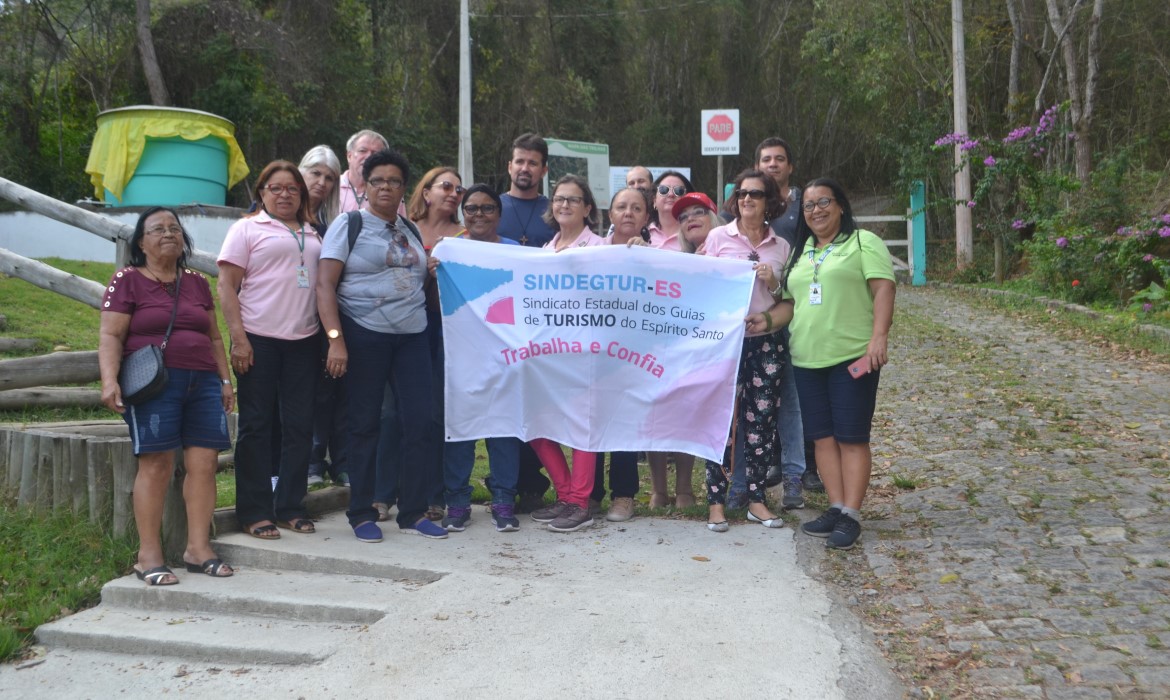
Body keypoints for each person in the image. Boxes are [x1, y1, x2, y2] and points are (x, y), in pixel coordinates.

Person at [749, 178, 895, 550]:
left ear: (841, 205)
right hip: (807, 359)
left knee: (851, 437)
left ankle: (852, 514)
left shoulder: (864, 243)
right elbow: (792, 305)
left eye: (824, 201)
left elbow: (883, 289)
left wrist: (879, 338)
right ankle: (835, 506)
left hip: (852, 357)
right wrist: (764, 322)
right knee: (823, 439)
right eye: (810, 205)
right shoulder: (802, 252)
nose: (817, 210)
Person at [316, 148, 448, 542]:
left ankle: (413, 511)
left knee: (421, 422)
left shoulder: (408, 229)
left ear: (404, 188)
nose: (386, 187)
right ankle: (361, 512)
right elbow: (325, 285)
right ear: (365, 186)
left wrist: (432, 274)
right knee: (364, 424)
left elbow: (413, 282)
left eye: (394, 181)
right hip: (364, 332)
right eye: (378, 181)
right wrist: (336, 341)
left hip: (412, 337)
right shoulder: (349, 224)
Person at [99, 207, 234, 585]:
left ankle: (198, 549)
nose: (169, 233)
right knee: (156, 464)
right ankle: (148, 556)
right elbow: (111, 336)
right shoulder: (126, 280)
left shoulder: (195, 282)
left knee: (205, 464)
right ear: (140, 242)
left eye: (175, 227)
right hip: (154, 384)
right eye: (158, 229)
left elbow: (212, 337)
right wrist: (109, 380)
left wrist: (225, 382)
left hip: (203, 381)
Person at [218, 161, 322, 539]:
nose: (284, 195)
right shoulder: (246, 228)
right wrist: (238, 338)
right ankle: (254, 510)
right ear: (261, 193)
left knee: (299, 427)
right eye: (275, 188)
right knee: (256, 426)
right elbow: (226, 286)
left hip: (304, 341)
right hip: (258, 338)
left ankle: (290, 506)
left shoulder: (313, 233)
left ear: (302, 194)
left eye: (292, 188)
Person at [431, 184, 523, 533]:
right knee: (460, 426)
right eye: (472, 208)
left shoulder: (517, 252)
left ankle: (503, 499)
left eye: (487, 208)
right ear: (462, 213)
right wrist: (432, 274)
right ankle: (457, 501)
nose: (479, 215)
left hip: (505, 354)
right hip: (459, 353)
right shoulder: (448, 250)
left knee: (504, 426)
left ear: (499, 214)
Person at [702, 170, 790, 532]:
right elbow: (700, 284)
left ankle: (756, 501)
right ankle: (715, 504)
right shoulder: (718, 237)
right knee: (721, 422)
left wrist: (774, 283)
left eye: (755, 193)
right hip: (726, 341)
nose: (747, 199)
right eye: (741, 194)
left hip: (766, 342)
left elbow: (789, 301)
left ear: (770, 201)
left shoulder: (781, 246)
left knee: (761, 424)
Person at [525, 174, 603, 533]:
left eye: (573, 199)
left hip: (584, 354)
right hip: (546, 354)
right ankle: (566, 494)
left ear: (588, 208)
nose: (564, 205)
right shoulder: (543, 252)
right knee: (537, 425)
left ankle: (580, 502)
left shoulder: (601, 249)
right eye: (558, 199)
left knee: (581, 427)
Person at [753, 136, 813, 507]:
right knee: (759, 399)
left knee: (792, 398)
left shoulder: (803, 206)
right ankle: (762, 470)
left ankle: (798, 472)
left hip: (798, 311)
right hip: (754, 320)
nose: (772, 164)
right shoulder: (746, 205)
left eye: (779, 159)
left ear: (790, 166)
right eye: (765, 159)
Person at [498, 133, 557, 512]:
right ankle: (504, 481)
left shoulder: (556, 209)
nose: (525, 168)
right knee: (504, 402)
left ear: (544, 169)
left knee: (538, 405)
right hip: (498, 320)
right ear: (509, 165)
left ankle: (534, 483)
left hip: (543, 323)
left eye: (533, 163)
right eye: (519, 161)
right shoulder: (490, 206)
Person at [591, 187, 651, 522]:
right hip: (593, 353)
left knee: (625, 424)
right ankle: (591, 494)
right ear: (609, 214)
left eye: (636, 208)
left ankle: (624, 495)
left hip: (634, 355)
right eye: (621, 207)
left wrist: (646, 259)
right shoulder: (591, 252)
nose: (628, 213)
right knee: (592, 422)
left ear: (646, 216)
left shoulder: (656, 255)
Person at [338, 130, 389, 213]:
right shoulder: (332, 186)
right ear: (349, 156)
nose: (369, 156)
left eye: (375, 153)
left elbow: (399, 225)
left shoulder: (390, 192)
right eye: (362, 151)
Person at [646, 171, 696, 251]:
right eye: (663, 190)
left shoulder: (695, 233)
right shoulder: (641, 232)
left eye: (679, 191)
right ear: (654, 200)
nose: (671, 195)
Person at [298, 145, 341, 232]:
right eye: (316, 173)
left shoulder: (334, 225)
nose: (322, 183)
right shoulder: (283, 212)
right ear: (301, 173)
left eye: (329, 178)